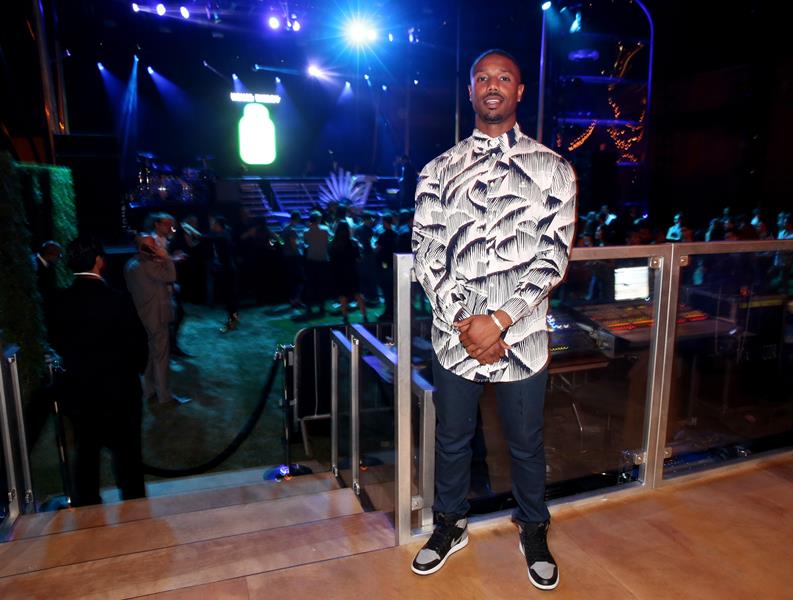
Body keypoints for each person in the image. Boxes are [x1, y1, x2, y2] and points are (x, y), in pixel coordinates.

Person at [410, 49, 576, 591]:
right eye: (482, 77)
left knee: (526, 442)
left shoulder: (554, 169)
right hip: (455, 337)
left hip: (521, 338)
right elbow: (427, 253)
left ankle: (533, 528)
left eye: (504, 77)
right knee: (452, 439)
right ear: (471, 90)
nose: (493, 85)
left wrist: (500, 319)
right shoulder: (437, 170)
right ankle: (450, 524)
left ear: (519, 91)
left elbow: (553, 256)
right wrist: (467, 323)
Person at [49, 237, 148, 505]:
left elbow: (57, 341)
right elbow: (139, 344)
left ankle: (87, 507)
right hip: (120, 389)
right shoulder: (119, 300)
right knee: (128, 455)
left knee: (86, 452)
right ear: (99, 261)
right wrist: (134, 370)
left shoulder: (59, 301)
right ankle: (135, 511)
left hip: (80, 389)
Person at [124, 234, 191, 405]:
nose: (156, 246)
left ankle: (149, 390)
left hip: (143, 315)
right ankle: (165, 396)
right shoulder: (149, 265)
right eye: (152, 245)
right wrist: (166, 257)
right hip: (157, 316)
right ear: (145, 248)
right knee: (161, 357)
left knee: (152, 354)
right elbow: (171, 276)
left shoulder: (130, 264)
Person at [328, 221, 368, 325]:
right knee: (357, 294)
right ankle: (364, 315)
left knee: (342, 296)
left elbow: (331, 260)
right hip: (352, 271)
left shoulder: (334, 243)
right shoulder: (353, 243)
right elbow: (359, 258)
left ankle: (345, 317)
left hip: (339, 272)